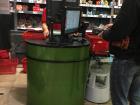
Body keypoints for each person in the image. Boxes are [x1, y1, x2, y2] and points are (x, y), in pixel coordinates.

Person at [99, 0, 140, 105]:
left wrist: (104, 34)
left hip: (127, 58)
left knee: (120, 100)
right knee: (136, 99)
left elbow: (119, 32)